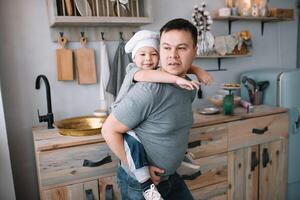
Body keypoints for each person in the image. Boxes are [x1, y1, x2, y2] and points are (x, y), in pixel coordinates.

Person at [102, 18, 205, 200]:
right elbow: (109, 130)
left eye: (181, 48)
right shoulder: (149, 89)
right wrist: (142, 172)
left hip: (172, 176)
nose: (172, 55)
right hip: (142, 185)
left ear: (194, 51)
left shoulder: (187, 86)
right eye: (166, 48)